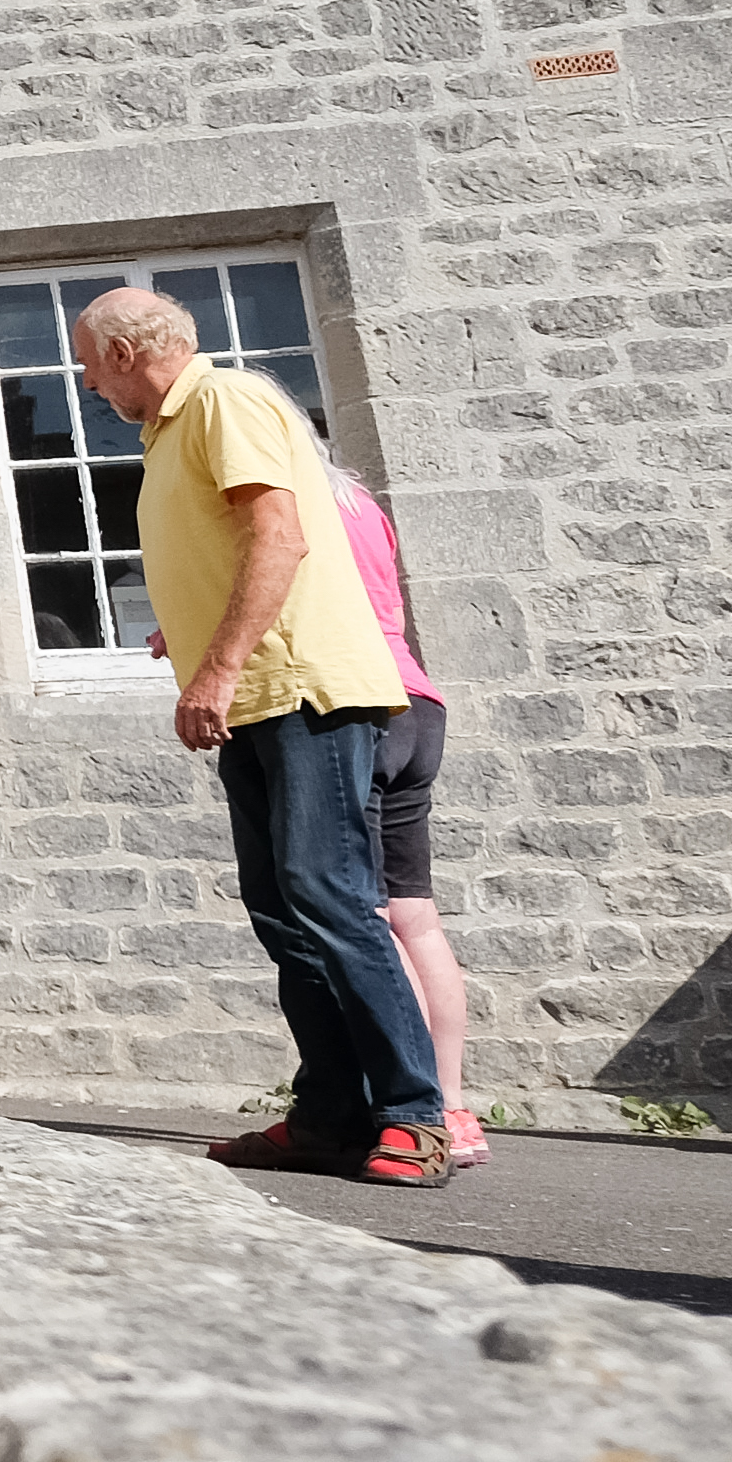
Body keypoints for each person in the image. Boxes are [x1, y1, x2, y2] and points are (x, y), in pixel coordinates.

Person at [70, 289, 448, 1187]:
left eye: (86, 362)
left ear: (123, 354)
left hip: (300, 690)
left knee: (330, 896)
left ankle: (414, 1115)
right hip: (257, 695)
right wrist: (193, 638)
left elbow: (278, 536)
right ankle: (329, 1116)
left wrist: (217, 669)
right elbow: (233, 553)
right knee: (286, 913)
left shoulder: (223, 401)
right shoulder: (171, 431)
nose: (85, 382)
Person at [327, 463, 484, 1169]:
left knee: (362, 912)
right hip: (419, 699)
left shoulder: (295, 495)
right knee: (414, 914)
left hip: (359, 696)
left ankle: (413, 1106)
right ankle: (453, 1106)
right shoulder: (359, 499)